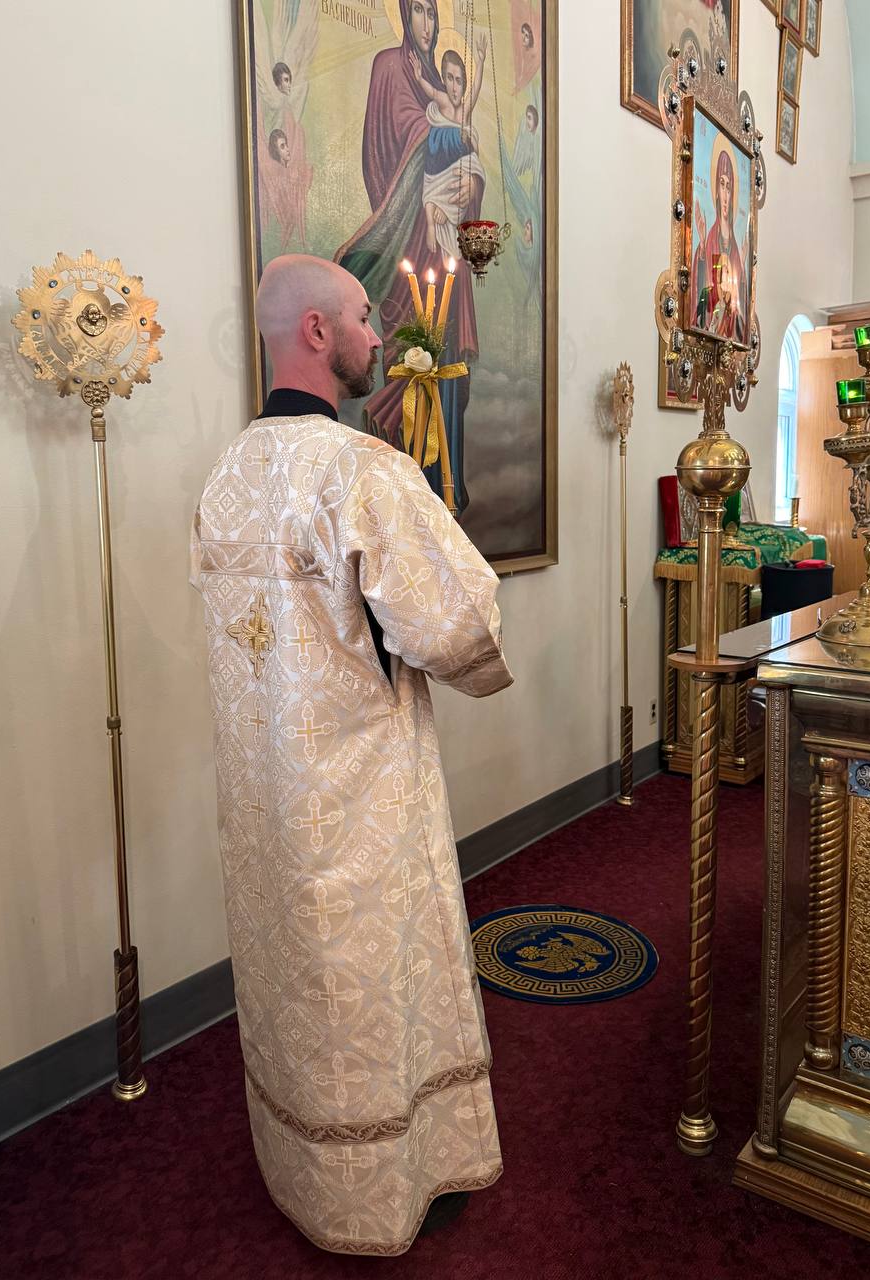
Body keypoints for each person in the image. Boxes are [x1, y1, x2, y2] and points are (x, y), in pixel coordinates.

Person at [191, 254, 512, 1256]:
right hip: (361, 796)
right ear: (317, 333)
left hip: (265, 797)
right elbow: (454, 625)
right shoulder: (361, 469)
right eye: (366, 318)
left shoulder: (224, 475)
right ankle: (390, 1181)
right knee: (380, 980)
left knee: (297, 984)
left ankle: (302, 1170)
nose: (380, 336)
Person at [336, 0, 481, 515]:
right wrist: (450, 136)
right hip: (408, 241)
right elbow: (392, 141)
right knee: (410, 363)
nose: (428, 22)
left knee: (450, 372)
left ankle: (447, 486)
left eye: (432, 13)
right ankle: (406, 495)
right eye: (418, 10)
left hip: (444, 250)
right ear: (403, 13)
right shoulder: (389, 68)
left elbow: (466, 164)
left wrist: (471, 182)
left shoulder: (439, 81)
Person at [409, 40, 488, 259]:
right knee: (432, 188)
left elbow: (476, 88)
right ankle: (431, 224)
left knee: (458, 184)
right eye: (450, 79)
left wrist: (480, 63)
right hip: (437, 165)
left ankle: (445, 211)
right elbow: (431, 91)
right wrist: (418, 77)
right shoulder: (443, 100)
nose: (455, 87)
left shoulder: (464, 110)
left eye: (459, 81)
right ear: (444, 79)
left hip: (455, 169)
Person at [691, 142, 749, 344]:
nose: (725, 195)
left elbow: (740, 311)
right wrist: (702, 247)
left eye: (729, 187)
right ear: (716, 190)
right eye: (721, 184)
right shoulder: (709, 238)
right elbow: (700, 292)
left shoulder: (736, 249)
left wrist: (742, 266)